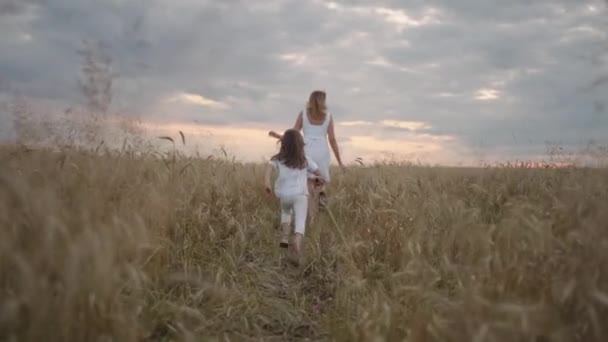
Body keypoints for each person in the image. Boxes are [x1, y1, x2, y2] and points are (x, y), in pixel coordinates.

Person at [268, 90, 344, 207]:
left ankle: (305, 207)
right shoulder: (328, 117)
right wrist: (340, 162)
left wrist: (280, 136)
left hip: (305, 148)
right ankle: (319, 201)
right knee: (320, 179)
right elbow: (332, 140)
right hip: (322, 150)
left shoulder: (303, 114)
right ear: (322, 101)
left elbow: (293, 133)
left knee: (306, 179)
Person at [264, 129, 325, 260]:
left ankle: (285, 238)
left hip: (284, 195)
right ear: (301, 145)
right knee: (300, 219)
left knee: (286, 214)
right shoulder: (305, 160)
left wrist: (267, 183)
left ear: (283, 145)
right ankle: (297, 241)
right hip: (300, 196)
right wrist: (318, 179)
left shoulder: (279, 159)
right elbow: (320, 174)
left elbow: (268, 169)